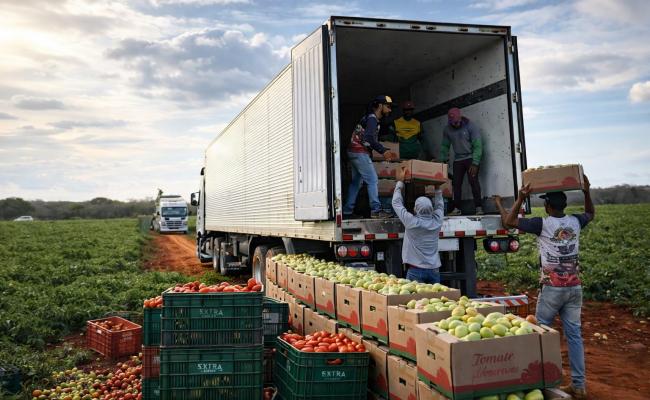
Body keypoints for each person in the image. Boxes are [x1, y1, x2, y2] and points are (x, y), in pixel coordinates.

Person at [494, 175, 594, 400]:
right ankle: (579, 385)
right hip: (574, 288)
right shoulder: (576, 222)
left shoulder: (542, 224)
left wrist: (517, 199)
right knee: (574, 336)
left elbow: (509, 222)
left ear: (548, 206)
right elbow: (591, 214)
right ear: (565, 206)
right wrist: (587, 192)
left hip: (552, 289)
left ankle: (538, 383)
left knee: (539, 333)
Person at [344, 95, 395, 219]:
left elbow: (367, 139)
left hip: (354, 151)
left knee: (356, 183)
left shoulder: (371, 119)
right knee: (372, 180)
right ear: (380, 106)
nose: (390, 110)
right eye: (388, 107)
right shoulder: (372, 119)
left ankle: (347, 211)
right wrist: (383, 151)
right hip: (359, 152)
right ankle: (376, 210)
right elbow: (368, 138)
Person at [391, 166, 444, 283]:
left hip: (415, 271)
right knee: (434, 300)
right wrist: (437, 186)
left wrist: (400, 183)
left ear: (415, 209)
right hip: (434, 271)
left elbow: (396, 203)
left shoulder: (412, 223)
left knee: (415, 300)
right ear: (431, 209)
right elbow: (440, 206)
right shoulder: (437, 222)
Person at [440, 107, 483, 215]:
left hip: (471, 158)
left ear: (460, 118)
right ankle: (457, 208)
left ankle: (478, 207)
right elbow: (445, 146)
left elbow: (478, 145)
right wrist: (443, 161)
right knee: (456, 184)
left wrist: (475, 163)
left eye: (457, 122)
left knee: (473, 182)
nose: (455, 124)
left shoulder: (471, 126)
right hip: (458, 159)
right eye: (453, 123)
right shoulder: (447, 129)